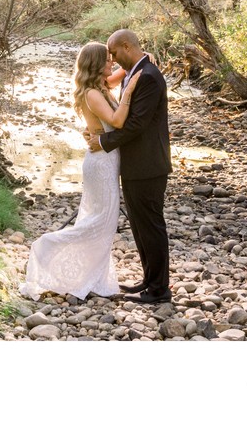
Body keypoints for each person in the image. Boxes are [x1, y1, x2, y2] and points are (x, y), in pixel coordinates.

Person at [19, 41, 141, 301]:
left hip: (106, 159)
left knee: (102, 222)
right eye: (109, 60)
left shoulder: (101, 86)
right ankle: (45, 249)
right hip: (101, 164)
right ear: (97, 64)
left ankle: (90, 277)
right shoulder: (93, 93)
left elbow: (127, 70)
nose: (114, 63)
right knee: (98, 222)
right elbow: (118, 121)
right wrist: (128, 91)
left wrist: (142, 59)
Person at [86, 29, 172, 305]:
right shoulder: (139, 70)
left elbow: (137, 125)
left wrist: (103, 140)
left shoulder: (147, 76)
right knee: (139, 225)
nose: (111, 59)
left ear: (126, 46)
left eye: (113, 53)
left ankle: (159, 290)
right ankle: (149, 280)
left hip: (148, 165)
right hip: (137, 165)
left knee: (151, 226)